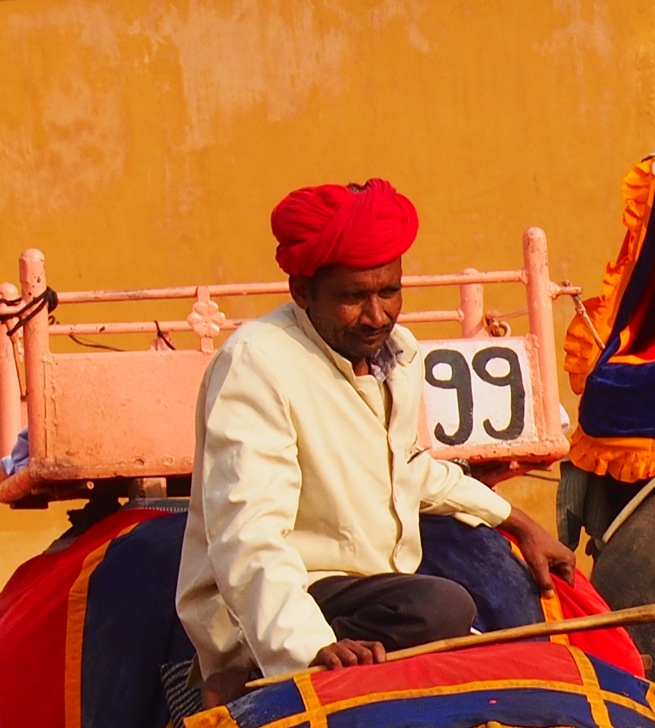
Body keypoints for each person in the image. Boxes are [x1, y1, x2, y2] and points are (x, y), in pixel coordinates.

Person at [177, 179, 573, 688]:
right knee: (440, 605)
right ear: (302, 292)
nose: (378, 314)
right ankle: (246, 667)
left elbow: (407, 468)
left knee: (486, 595)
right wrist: (309, 645)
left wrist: (517, 522)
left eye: (390, 291)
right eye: (353, 297)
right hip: (290, 594)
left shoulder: (396, 354)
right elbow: (247, 533)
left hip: (372, 589)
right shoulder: (258, 362)